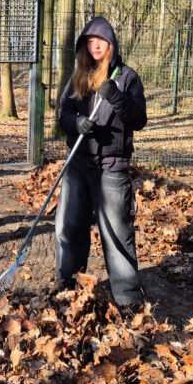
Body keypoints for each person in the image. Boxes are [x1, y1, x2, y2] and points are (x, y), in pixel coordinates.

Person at [55, 16, 148, 305]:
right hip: (78, 164)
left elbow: (139, 119)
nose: (95, 46)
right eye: (89, 42)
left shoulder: (127, 77)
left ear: (111, 44)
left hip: (112, 167)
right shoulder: (79, 75)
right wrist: (77, 122)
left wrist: (117, 97)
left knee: (116, 234)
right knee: (68, 227)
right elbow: (63, 114)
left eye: (101, 41)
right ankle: (67, 287)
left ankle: (128, 300)